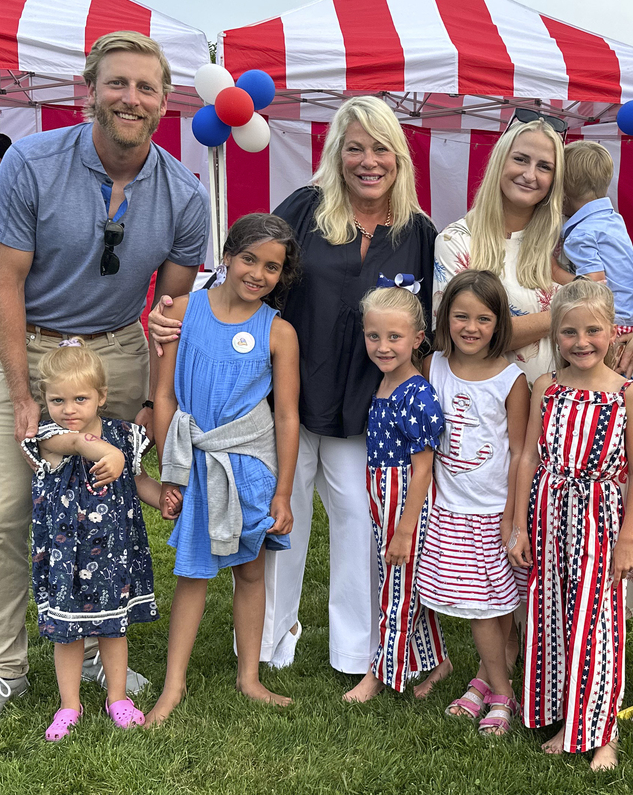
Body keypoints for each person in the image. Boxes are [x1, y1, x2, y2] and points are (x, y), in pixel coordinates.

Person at [0, 30, 206, 740]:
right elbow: (5, 284)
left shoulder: (185, 193)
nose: (131, 97)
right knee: (4, 509)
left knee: (109, 506)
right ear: (89, 89)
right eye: (117, 83)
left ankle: (94, 650)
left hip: (119, 352)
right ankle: (1, 667)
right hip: (29, 347)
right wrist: (21, 387)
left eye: (146, 87)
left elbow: (170, 313)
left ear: (163, 102)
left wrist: (159, 396)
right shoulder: (31, 163)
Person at [150, 96, 437, 680]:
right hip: (284, 403)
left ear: (399, 157)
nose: (368, 161)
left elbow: (426, 323)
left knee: (359, 520)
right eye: (354, 147)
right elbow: (248, 272)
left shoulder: (418, 232)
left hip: (368, 408)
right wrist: (180, 313)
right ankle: (266, 642)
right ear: (337, 152)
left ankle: (358, 651)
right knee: (280, 519)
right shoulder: (307, 209)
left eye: (381, 148)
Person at [147, 214, 301, 723]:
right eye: (250, 259)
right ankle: (173, 685)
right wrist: (174, 470)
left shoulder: (279, 333)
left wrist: (282, 493)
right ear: (228, 256)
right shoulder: (184, 312)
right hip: (196, 461)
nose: (258, 273)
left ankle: (249, 676)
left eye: (273, 266)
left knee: (250, 572)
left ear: (283, 275)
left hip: (250, 466)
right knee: (192, 572)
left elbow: (286, 415)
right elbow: (164, 395)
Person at [509, 280, 633, 771]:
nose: (582, 341)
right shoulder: (546, 386)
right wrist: (518, 525)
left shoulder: (626, 394)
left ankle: (601, 731)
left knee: (597, 623)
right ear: (555, 335)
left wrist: (628, 538)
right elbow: (528, 454)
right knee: (551, 613)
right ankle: (560, 712)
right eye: (569, 332)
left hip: (602, 519)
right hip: (548, 513)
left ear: (613, 332)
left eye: (593, 330)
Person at [25, 341, 162, 741]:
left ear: (101, 397)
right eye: (57, 399)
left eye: (80, 398)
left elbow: (138, 482)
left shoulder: (123, 435)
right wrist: (103, 450)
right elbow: (75, 444)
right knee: (67, 634)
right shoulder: (49, 437)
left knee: (113, 630)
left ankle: (117, 697)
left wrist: (164, 499)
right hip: (67, 559)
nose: (69, 409)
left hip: (114, 555)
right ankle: (69, 705)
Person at [414, 271, 529, 734]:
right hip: (451, 509)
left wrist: (513, 517)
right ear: (445, 318)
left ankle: (500, 692)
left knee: (492, 605)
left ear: (499, 323)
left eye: (484, 318)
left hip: (493, 512)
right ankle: (487, 680)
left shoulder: (512, 379)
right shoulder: (434, 366)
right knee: (487, 604)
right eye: (461, 316)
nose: (471, 327)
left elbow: (522, 451)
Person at [344, 286, 448, 703]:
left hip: (406, 500)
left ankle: (380, 673)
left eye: (394, 338)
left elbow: (423, 467)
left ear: (418, 339)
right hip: (381, 495)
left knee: (398, 590)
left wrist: (406, 528)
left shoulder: (417, 394)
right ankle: (438, 662)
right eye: (374, 336)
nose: (383, 347)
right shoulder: (386, 383)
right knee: (400, 581)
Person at [434, 120, 569, 383]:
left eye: (544, 167)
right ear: (500, 162)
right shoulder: (457, 241)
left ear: (554, 180)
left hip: (558, 412)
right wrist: (563, 315)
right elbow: (459, 337)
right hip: (485, 413)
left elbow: (612, 295)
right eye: (520, 159)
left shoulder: (562, 244)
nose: (530, 175)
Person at [559, 140, 633, 372]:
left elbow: (593, 284)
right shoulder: (614, 220)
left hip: (613, 321)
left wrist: (554, 272)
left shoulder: (580, 234)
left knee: (599, 384)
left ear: (562, 193)